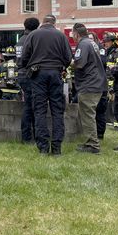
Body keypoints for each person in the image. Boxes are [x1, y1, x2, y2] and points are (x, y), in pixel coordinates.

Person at [20, 15, 72, 155]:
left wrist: (30, 66)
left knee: (39, 110)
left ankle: (43, 147)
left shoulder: (33, 35)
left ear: (42, 22)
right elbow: (68, 58)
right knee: (57, 111)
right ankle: (56, 148)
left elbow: (24, 58)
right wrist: (60, 67)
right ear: (54, 23)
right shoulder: (61, 36)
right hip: (55, 73)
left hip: (37, 75)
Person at [70, 23, 107, 154]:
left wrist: (69, 63)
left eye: (72, 34)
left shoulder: (83, 44)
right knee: (88, 115)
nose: (72, 36)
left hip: (89, 85)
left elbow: (79, 63)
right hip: (97, 83)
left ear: (76, 34)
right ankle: (89, 143)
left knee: (87, 115)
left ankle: (93, 145)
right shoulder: (92, 43)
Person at [16, 17, 39, 143]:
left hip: (21, 73)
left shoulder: (20, 39)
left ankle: (27, 137)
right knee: (31, 106)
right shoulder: (32, 39)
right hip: (29, 74)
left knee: (28, 105)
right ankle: (28, 138)